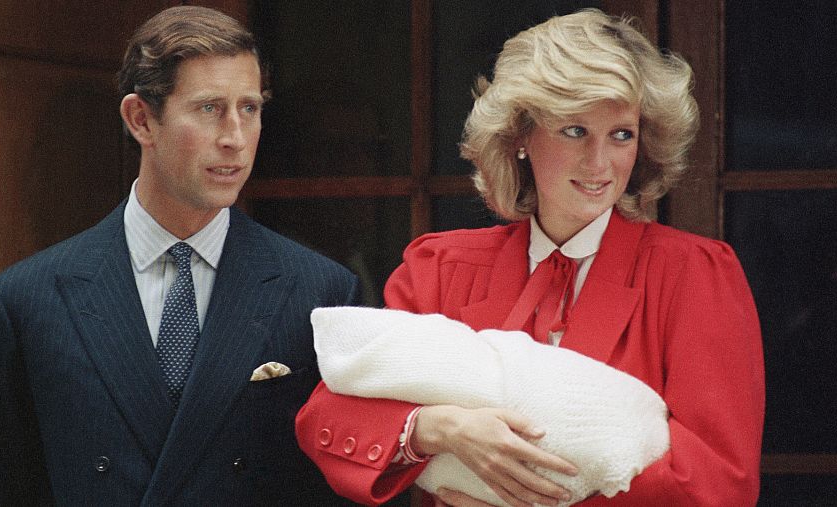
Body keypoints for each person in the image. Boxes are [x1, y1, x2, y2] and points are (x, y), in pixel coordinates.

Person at [296, 8, 764, 507]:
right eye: (574, 130)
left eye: (621, 134)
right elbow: (326, 415)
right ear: (520, 135)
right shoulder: (440, 267)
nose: (600, 163)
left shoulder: (695, 274)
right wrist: (437, 429)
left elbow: (720, 483)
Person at [0, 6, 360, 505]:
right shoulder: (26, 300)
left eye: (249, 109)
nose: (235, 139)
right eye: (209, 108)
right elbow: (5, 487)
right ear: (141, 119)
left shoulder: (321, 290)